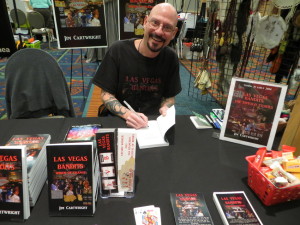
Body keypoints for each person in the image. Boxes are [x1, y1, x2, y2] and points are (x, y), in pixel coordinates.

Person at [92, 3, 181, 129]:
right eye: (155, 23)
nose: (159, 31)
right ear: (145, 21)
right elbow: (106, 94)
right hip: (119, 120)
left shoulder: (171, 58)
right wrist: (128, 114)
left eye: (167, 28)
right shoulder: (118, 50)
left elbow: (170, 97)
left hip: (151, 124)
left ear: (174, 33)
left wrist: (165, 107)